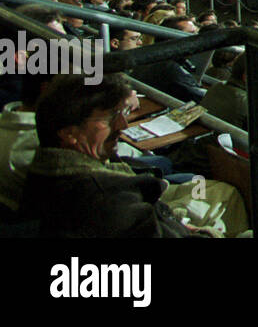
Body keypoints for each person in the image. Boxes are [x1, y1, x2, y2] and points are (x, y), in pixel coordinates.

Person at [21, 74, 193, 237]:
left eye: (122, 113)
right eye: (110, 117)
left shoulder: (45, 169)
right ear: (69, 134)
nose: (122, 125)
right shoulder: (106, 199)